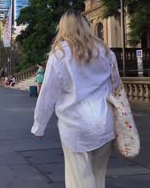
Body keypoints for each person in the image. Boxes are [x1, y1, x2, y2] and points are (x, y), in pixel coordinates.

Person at [31, 10, 118, 188]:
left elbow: (47, 95)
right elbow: (116, 86)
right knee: (98, 178)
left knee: (79, 181)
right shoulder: (106, 51)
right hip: (105, 122)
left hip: (75, 125)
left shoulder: (59, 55)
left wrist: (39, 126)